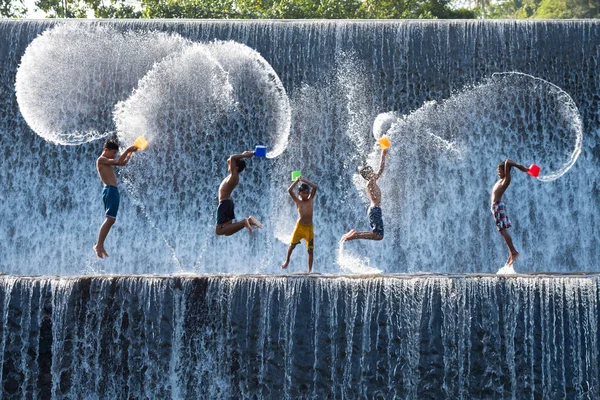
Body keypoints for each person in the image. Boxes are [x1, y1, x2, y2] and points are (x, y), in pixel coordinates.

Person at [94, 139, 137, 258]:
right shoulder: (101, 159)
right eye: (113, 152)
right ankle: (99, 245)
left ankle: (100, 244)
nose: (114, 155)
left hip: (112, 190)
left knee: (111, 220)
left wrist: (130, 153)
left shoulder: (106, 160)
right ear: (105, 150)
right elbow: (118, 162)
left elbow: (122, 163)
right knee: (109, 219)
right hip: (110, 190)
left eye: (115, 153)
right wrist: (127, 149)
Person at [342, 147, 388, 242]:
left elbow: (380, 170)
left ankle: (355, 234)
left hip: (375, 209)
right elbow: (380, 169)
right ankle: (354, 235)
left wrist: (383, 155)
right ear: (369, 174)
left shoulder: (371, 182)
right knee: (378, 236)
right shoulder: (370, 182)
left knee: (378, 235)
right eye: (371, 171)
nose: (374, 172)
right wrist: (383, 154)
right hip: (375, 210)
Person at [491, 159, 528, 267]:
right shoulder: (501, 180)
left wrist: (519, 166)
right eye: (497, 170)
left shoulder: (506, 179)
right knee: (502, 230)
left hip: (497, 205)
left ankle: (513, 252)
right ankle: (511, 253)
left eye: (500, 170)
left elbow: (507, 161)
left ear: (505, 171)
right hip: (497, 206)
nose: (498, 172)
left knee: (502, 230)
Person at [215, 151, 262, 236]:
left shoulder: (234, 177)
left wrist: (244, 156)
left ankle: (244, 222)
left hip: (224, 203)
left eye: (231, 165)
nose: (229, 164)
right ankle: (249, 220)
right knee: (228, 231)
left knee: (219, 230)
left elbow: (232, 157)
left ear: (236, 168)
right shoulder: (233, 175)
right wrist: (242, 156)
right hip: (228, 203)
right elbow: (230, 160)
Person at [281, 176, 318, 273]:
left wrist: (306, 180)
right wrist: (297, 181)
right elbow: (289, 190)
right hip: (299, 227)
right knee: (292, 245)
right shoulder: (298, 201)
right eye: (303, 193)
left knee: (310, 250)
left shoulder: (310, 199)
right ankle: (287, 260)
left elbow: (315, 187)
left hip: (309, 228)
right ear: (299, 193)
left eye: (307, 193)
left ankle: (309, 270)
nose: (305, 195)